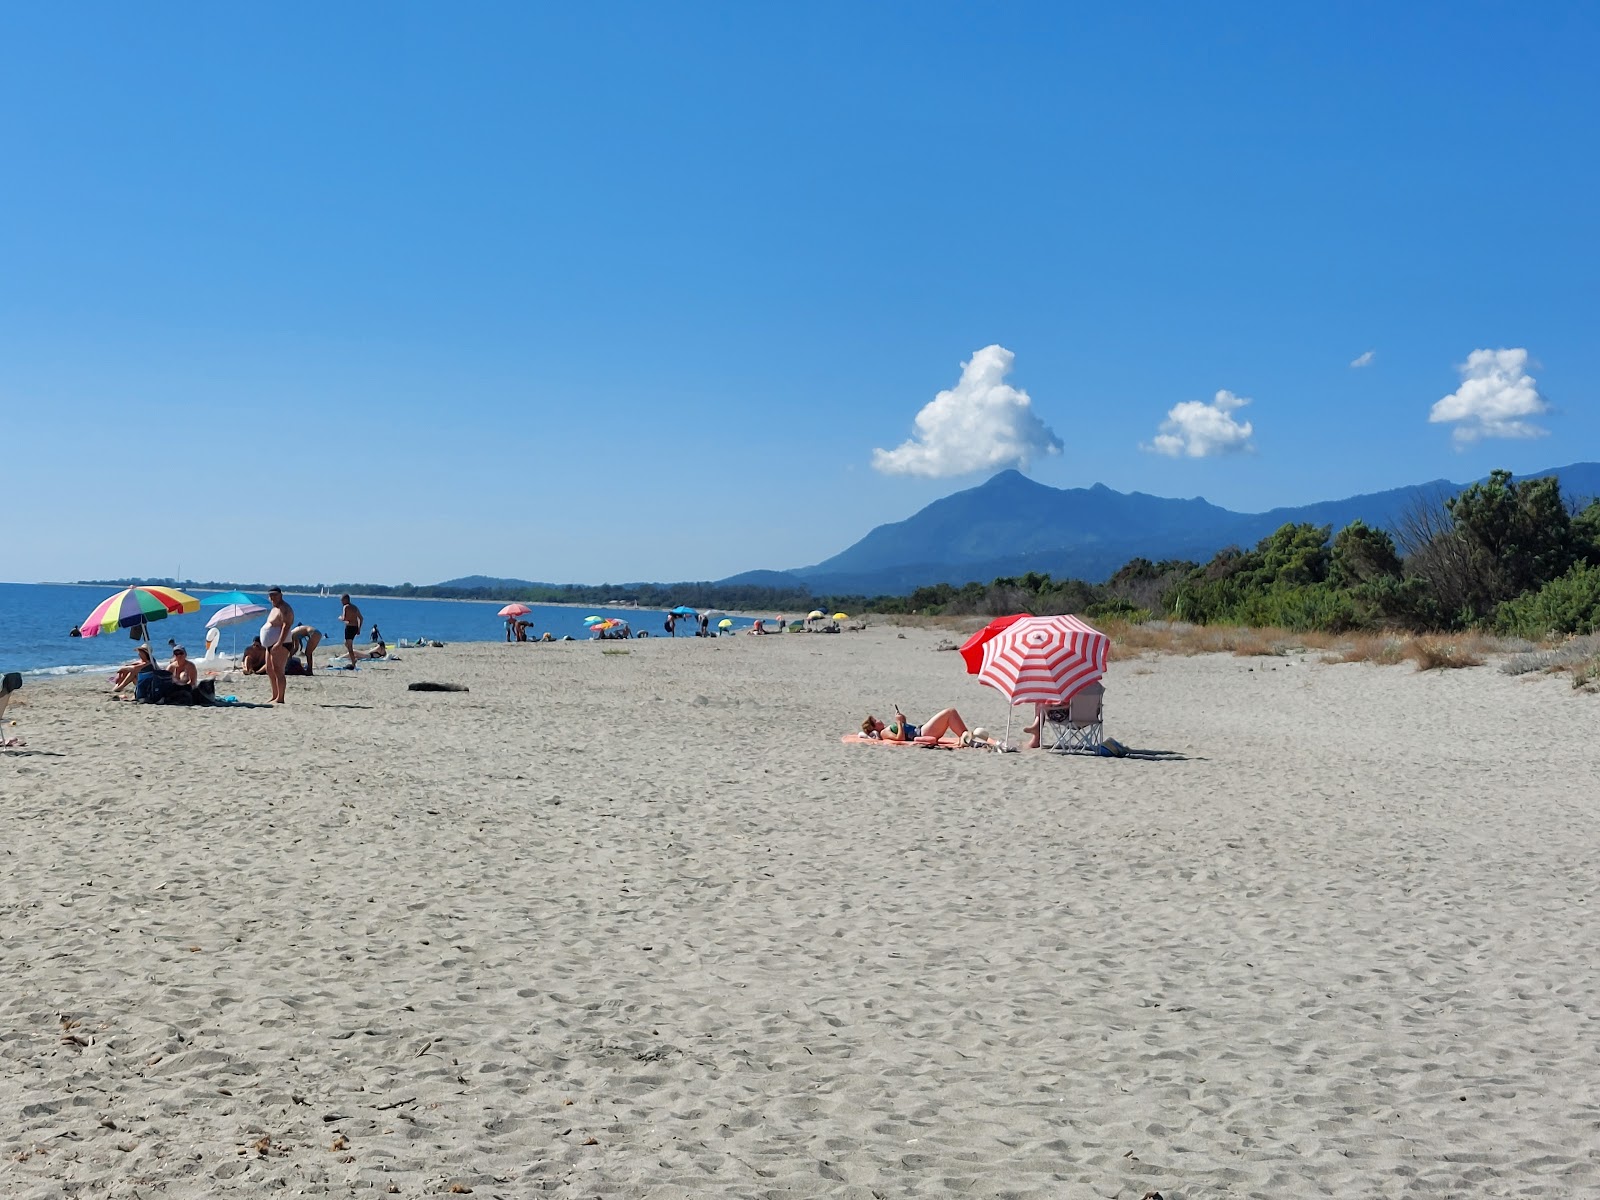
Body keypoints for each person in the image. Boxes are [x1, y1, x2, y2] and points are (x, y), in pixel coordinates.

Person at [860, 705, 969, 743]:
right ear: (874, 728)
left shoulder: (886, 729)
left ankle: (966, 736)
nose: (879, 721)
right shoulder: (884, 733)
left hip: (921, 730)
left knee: (950, 714)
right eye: (876, 722)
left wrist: (902, 720)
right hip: (922, 733)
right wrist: (898, 722)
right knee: (950, 712)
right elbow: (900, 738)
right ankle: (966, 737)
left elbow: (905, 730)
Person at [261, 587, 295, 704]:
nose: (272, 598)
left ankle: (280, 698)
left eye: (274, 595)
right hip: (270, 644)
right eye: (270, 595)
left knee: (278, 670)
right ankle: (274, 695)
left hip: (281, 643)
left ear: (280, 595)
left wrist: (279, 643)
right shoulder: (274, 609)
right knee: (270, 669)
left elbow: (286, 626)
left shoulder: (285, 609)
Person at [339, 595, 364, 671]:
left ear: (346, 600)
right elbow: (361, 618)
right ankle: (353, 657)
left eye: (342, 601)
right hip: (355, 627)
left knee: (349, 646)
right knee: (346, 644)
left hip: (349, 627)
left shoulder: (346, 607)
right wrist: (359, 628)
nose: (341, 602)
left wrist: (339, 618)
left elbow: (344, 618)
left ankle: (353, 662)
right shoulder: (355, 607)